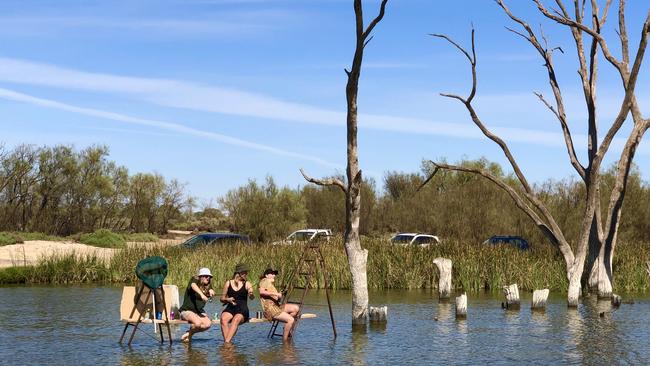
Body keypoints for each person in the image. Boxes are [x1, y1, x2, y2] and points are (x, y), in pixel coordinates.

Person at [258, 266, 300, 341]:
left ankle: (287, 327)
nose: (274, 275)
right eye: (272, 274)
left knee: (296, 308)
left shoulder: (270, 285)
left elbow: (275, 298)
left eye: (274, 274)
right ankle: (285, 342)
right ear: (266, 275)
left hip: (276, 306)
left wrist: (279, 295)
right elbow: (262, 292)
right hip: (270, 309)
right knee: (291, 320)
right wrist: (276, 294)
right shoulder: (264, 281)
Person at [220, 263, 254, 343]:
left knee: (235, 320)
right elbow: (222, 299)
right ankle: (228, 343)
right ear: (238, 273)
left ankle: (226, 344)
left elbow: (252, 297)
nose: (246, 274)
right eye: (244, 272)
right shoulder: (228, 283)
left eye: (246, 272)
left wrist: (251, 294)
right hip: (231, 307)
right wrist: (227, 299)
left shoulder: (247, 283)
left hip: (242, 309)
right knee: (223, 319)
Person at [179, 267, 215, 343]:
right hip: (186, 310)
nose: (208, 278)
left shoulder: (207, 285)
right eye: (206, 276)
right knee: (197, 323)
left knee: (208, 324)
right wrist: (202, 295)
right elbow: (193, 285)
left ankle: (189, 334)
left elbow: (211, 289)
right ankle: (189, 336)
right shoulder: (194, 279)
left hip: (198, 312)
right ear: (201, 277)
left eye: (209, 277)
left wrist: (212, 291)